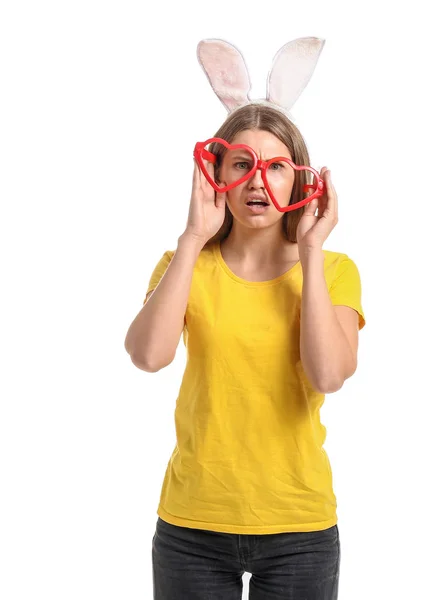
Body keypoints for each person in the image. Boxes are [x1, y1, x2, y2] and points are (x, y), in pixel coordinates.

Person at [124, 39, 366, 600]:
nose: (258, 181)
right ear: (217, 175)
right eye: (242, 165)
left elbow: (329, 374)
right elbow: (147, 356)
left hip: (299, 525)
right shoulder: (185, 265)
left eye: (276, 166)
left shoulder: (333, 270)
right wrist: (191, 238)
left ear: (299, 180)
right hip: (192, 523)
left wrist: (308, 251)